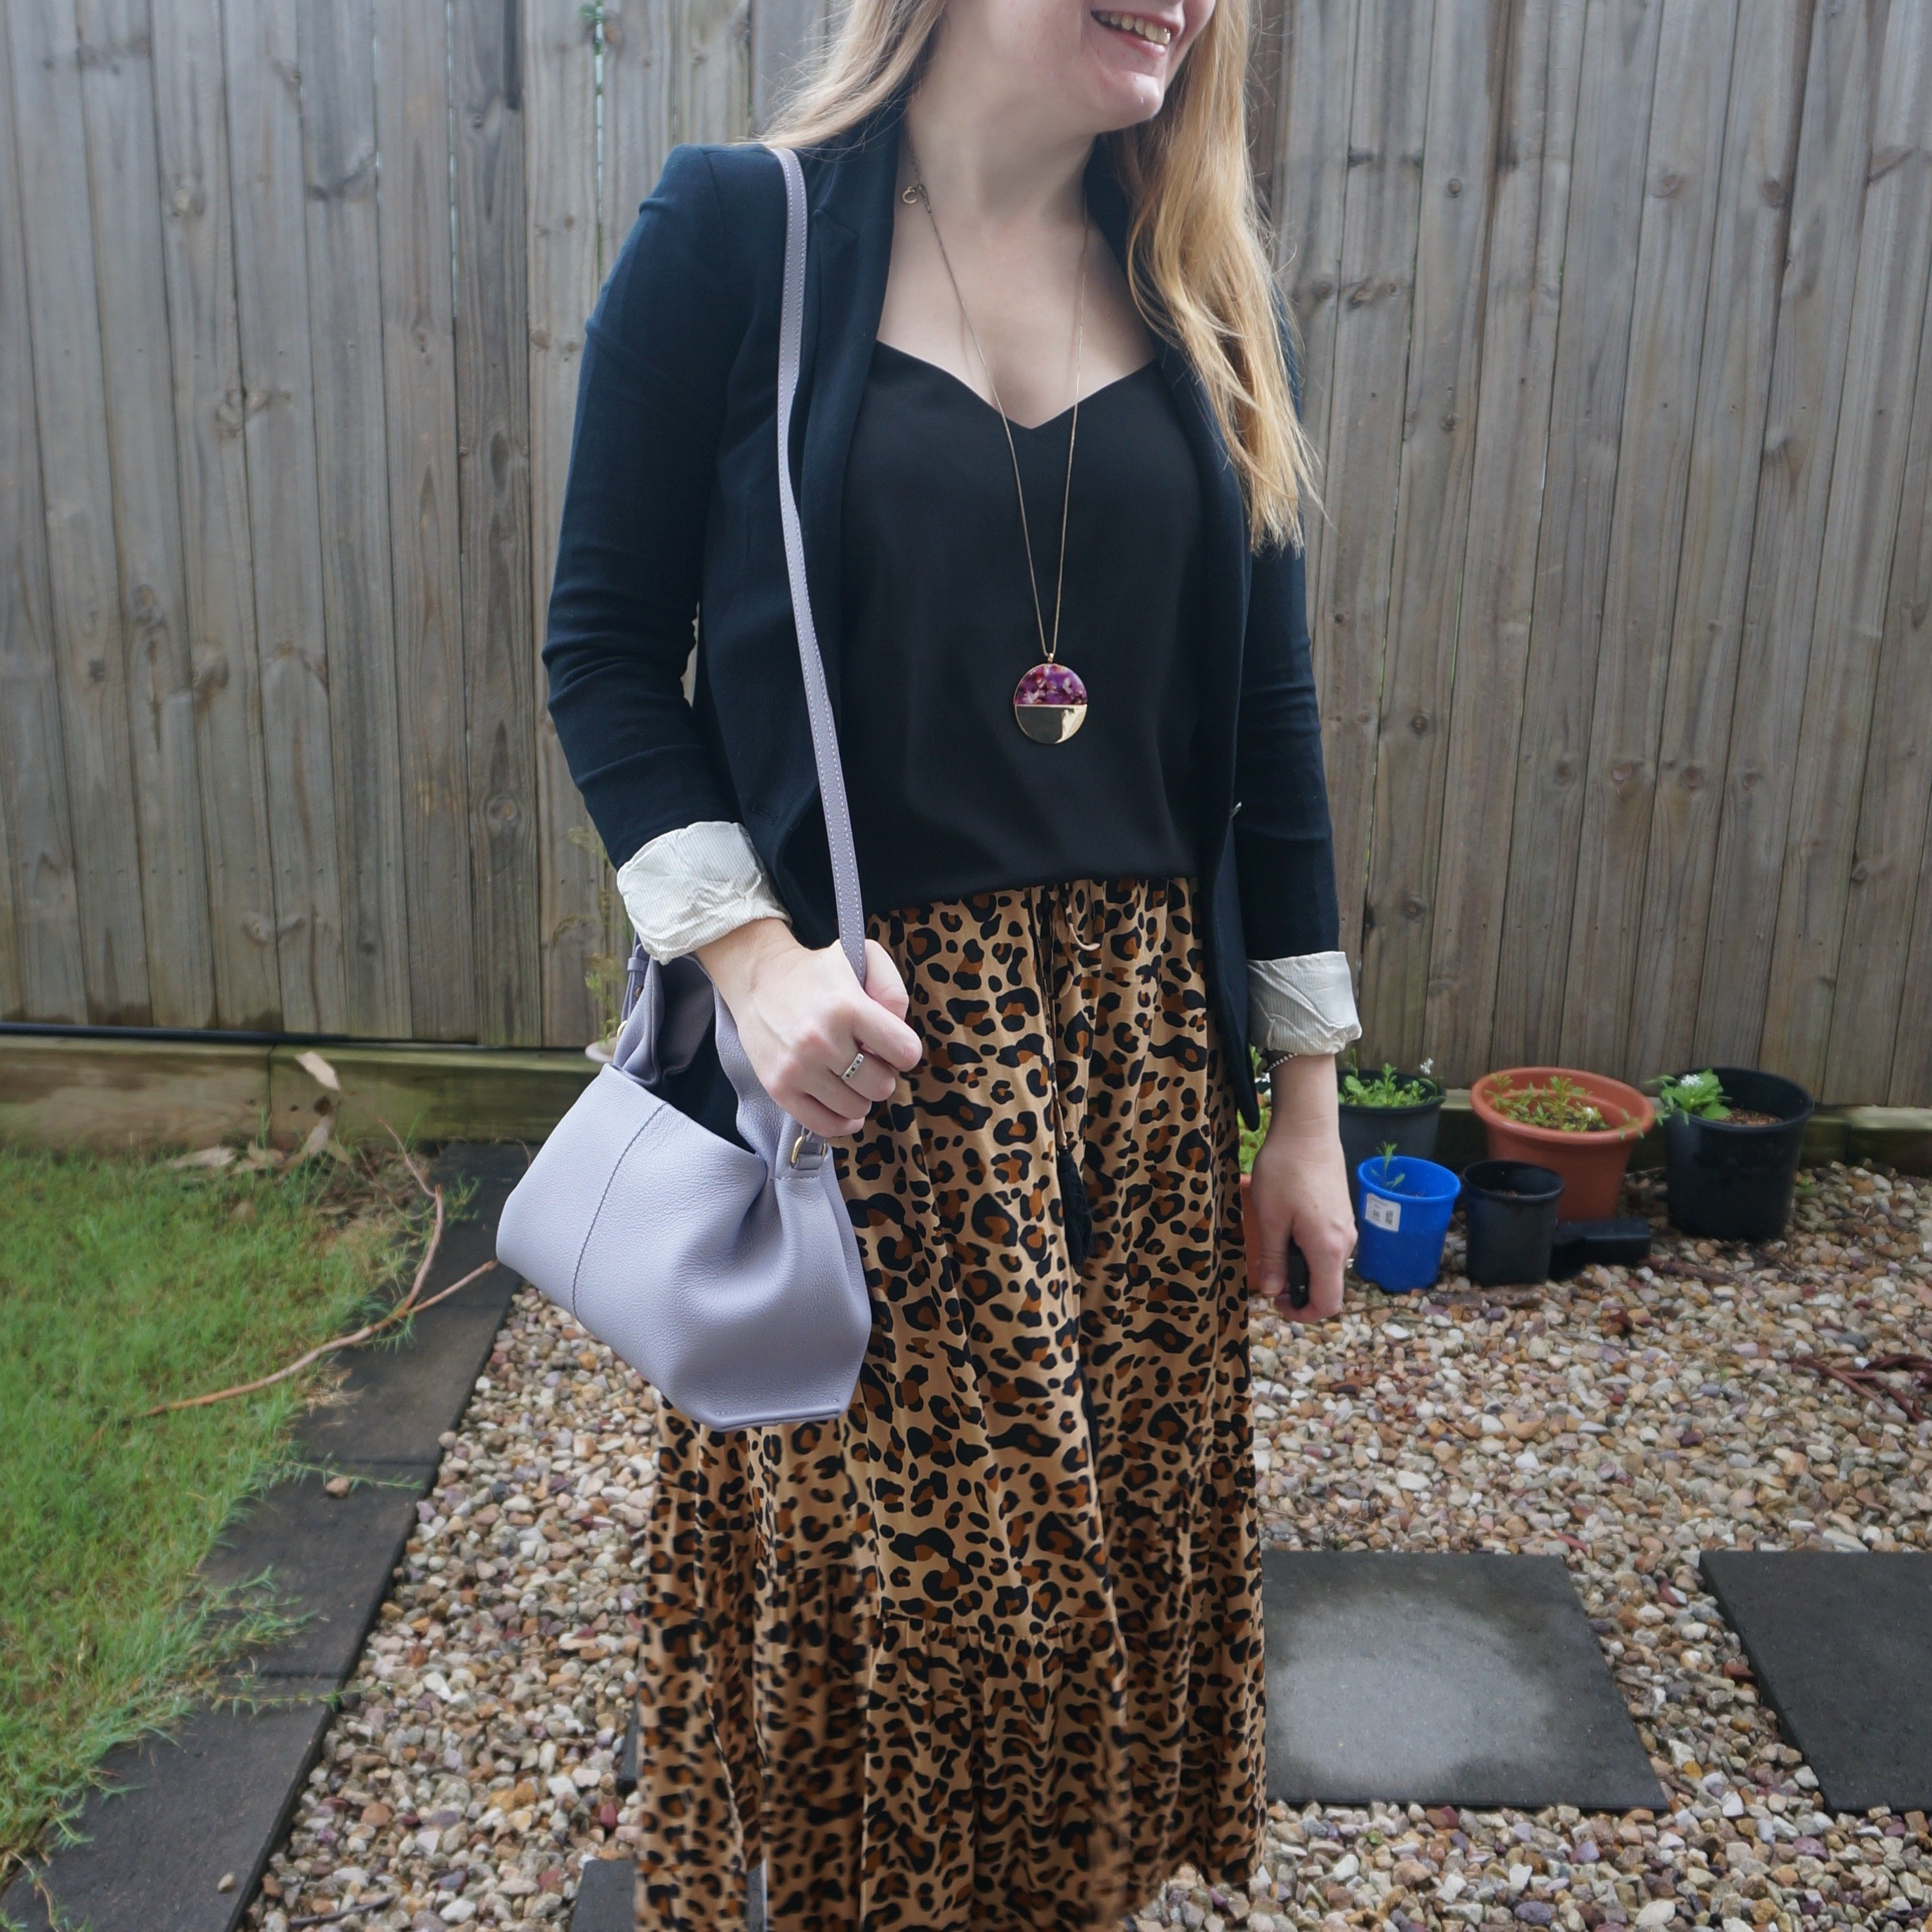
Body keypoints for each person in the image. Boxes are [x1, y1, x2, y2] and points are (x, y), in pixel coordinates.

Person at [542, 0, 1361, 1914]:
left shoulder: (1204, 302)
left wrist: (1304, 1100)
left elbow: (1274, 732)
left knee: (1090, 1606)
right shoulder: (742, 238)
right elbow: (603, 652)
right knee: (909, 1625)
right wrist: (749, 964)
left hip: (1142, 1070)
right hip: (872, 1065)